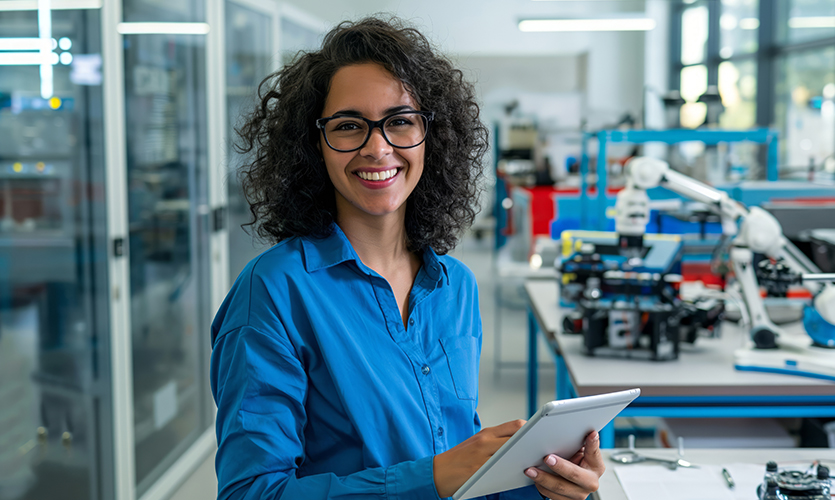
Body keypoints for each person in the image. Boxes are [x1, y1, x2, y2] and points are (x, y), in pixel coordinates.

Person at [210, 16, 605, 500]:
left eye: (399, 121)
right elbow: (251, 493)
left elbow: (462, 472)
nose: (378, 148)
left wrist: (544, 485)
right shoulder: (273, 293)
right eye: (349, 125)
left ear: (430, 136)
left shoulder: (454, 286)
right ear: (314, 144)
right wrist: (433, 477)